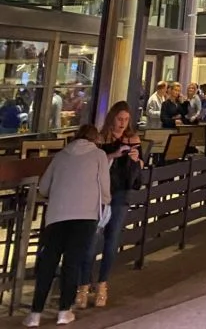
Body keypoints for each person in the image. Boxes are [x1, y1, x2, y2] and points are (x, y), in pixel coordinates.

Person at [25, 126, 110, 327]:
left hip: (57, 216)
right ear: (95, 139)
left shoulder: (61, 156)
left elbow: (44, 187)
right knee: (72, 263)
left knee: (48, 263)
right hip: (85, 216)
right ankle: (64, 311)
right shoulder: (99, 155)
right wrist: (104, 205)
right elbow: (105, 189)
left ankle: (35, 314)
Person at [76, 102, 143, 310]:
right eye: (119, 119)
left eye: (126, 119)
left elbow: (140, 167)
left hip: (121, 193)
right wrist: (113, 155)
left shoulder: (133, 139)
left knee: (112, 240)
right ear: (112, 117)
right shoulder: (100, 139)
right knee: (91, 240)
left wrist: (137, 159)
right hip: (99, 194)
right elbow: (92, 164)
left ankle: (102, 284)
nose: (123, 123)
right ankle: (83, 285)